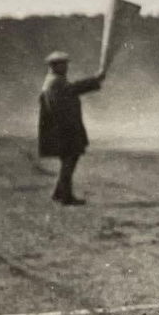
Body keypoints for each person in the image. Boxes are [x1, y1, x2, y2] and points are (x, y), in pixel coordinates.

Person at [38, 51, 106, 205]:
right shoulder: (56, 82)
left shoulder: (53, 80)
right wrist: (95, 79)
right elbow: (74, 89)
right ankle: (65, 196)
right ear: (55, 66)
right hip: (64, 129)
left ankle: (59, 193)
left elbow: (72, 89)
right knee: (69, 161)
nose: (66, 67)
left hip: (61, 127)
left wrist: (95, 80)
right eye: (63, 64)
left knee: (68, 161)